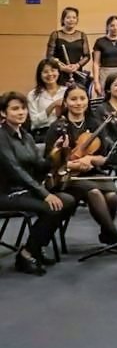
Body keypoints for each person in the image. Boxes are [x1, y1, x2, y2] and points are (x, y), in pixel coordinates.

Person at [0, 92, 78, 275]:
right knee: (51, 207)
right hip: (7, 192)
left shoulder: (25, 136)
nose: (21, 112)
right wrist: (45, 194)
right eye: (15, 109)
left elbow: (40, 167)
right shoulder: (1, 137)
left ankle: (35, 247)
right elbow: (16, 172)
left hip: (26, 190)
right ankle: (26, 254)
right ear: (3, 113)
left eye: (23, 108)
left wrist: (55, 153)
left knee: (67, 200)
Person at [47, 83, 117, 250]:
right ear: (66, 102)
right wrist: (73, 163)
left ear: (88, 101)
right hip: (66, 177)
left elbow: (105, 157)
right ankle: (116, 237)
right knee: (94, 193)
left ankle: (107, 234)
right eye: (73, 99)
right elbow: (49, 161)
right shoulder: (58, 127)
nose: (78, 103)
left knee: (112, 196)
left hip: (92, 172)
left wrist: (90, 159)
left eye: (82, 98)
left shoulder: (94, 123)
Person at [46, 6, 91, 86]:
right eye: (68, 17)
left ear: (77, 20)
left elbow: (87, 56)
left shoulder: (82, 35)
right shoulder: (56, 35)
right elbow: (49, 57)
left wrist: (77, 65)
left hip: (77, 73)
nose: (71, 20)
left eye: (74, 17)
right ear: (63, 19)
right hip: (59, 73)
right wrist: (63, 68)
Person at [91, 15, 117, 96]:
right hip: (105, 73)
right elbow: (96, 63)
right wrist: (96, 82)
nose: (115, 28)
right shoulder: (100, 41)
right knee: (106, 97)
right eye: (112, 25)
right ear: (107, 27)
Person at [28, 58, 65, 141]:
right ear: (40, 75)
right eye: (45, 72)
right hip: (43, 134)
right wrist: (52, 106)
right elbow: (35, 122)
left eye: (53, 70)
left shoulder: (67, 91)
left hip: (65, 132)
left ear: (58, 72)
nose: (50, 74)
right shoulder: (33, 95)